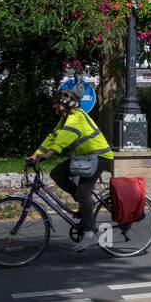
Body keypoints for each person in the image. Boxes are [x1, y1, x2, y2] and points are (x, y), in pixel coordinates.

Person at [26, 81, 114, 252]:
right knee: (57, 173)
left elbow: (64, 137)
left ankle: (89, 234)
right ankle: (85, 204)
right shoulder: (65, 119)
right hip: (84, 157)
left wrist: (49, 154)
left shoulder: (77, 117)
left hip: (99, 156)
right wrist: (36, 154)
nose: (54, 106)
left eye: (57, 103)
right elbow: (53, 136)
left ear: (66, 104)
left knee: (83, 191)